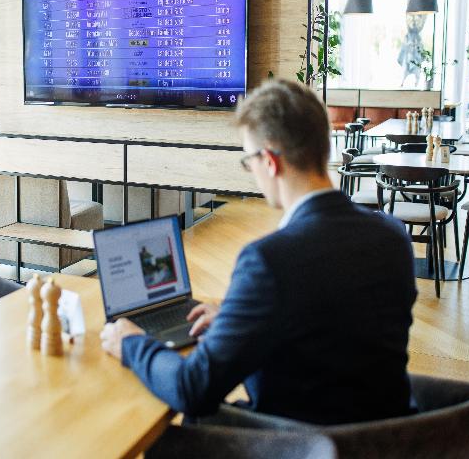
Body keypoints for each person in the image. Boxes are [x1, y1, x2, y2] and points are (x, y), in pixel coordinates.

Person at [100, 79, 417, 425]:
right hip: (387, 438)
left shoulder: (269, 261)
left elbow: (194, 389)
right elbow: (330, 327)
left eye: (249, 161)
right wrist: (238, 320)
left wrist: (132, 343)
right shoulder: (393, 236)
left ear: (269, 161)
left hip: (304, 443)